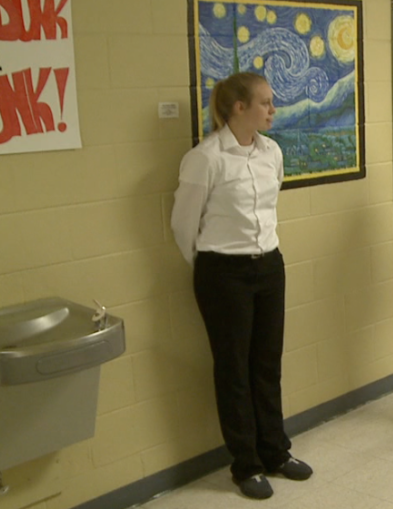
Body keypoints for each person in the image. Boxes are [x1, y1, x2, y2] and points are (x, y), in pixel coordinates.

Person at [171, 72, 312, 500]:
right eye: (265, 102)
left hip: (269, 265)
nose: (273, 110)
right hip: (223, 272)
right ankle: (246, 464)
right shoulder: (206, 158)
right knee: (234, 369)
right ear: (239, 108)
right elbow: (183, 225)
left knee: (267, 364)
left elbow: (269, 205)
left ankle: (275, 451)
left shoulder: (271, 152)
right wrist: (213, 265)